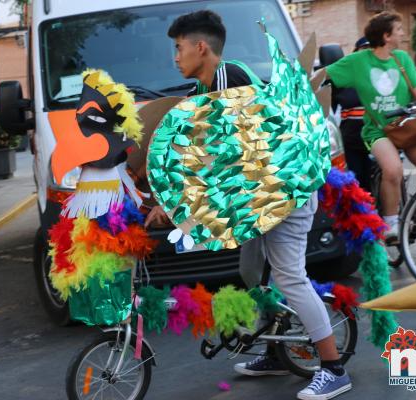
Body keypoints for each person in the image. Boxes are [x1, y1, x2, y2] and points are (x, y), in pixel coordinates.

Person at [146, 10, 352, 400]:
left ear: (201, 47)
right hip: (259, 198)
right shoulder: (200, 94)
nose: (175, 58)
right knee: (251, 269)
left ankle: (333, 368)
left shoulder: (231, 80)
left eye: (178, 48)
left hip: (285, 191)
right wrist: (163, 197)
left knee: (289, 275)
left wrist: (186, 208)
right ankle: (277, 351)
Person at [326, 11, 416, 242]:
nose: (403, 33)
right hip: (377, 131)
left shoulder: (401, 58)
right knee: (393, 170)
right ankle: (390, 223)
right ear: (386, 35)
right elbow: (324, 74)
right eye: (398, 29)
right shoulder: (358, 61)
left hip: (405, 126)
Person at [331, 37, 372, 191]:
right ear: (355, 53)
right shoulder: (342, 79)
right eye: (364, 48)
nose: (367, 52)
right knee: (357, 185)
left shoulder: (383, 76)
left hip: (379, 139)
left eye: (371, 48)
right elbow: (328, 108)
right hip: (352, 142)